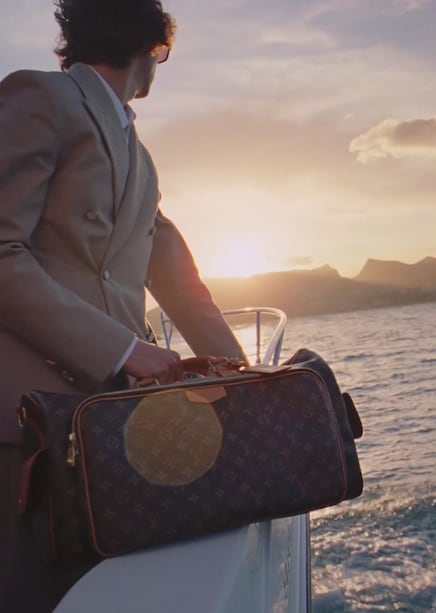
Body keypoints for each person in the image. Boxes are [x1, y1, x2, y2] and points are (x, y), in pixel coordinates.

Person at [0, 0, 246, 610]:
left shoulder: (142, 159)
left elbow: (181, 284)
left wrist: (246, 377)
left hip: (108, 432)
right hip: (25, 428)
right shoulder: (40, 97)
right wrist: (124, 350)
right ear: (150, 47)